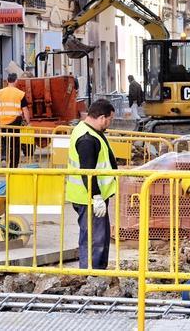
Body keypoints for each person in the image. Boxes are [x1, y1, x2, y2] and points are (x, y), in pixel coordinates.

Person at [65, 99, 117, 269]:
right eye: (110, 120)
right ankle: (91, 274)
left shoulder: (89, 131)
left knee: (98, 237)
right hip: (89, 199)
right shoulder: (87, 138)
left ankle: (97, 272)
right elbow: (88, 171)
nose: (109, 124)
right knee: (94, 239)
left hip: (91, 197)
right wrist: (96, 197)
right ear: (102, 118)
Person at [0, 72, 30, 168]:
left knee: (4, 141)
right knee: (15, 144)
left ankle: (4, 158)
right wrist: (27, 122)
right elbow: (25, 110)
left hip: (3, 122)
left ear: (7, 81)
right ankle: (13, 165)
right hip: (15, 122)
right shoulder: (20, 94)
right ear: (16, 81)